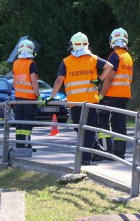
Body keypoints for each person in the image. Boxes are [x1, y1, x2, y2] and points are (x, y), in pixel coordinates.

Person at [45, 32, 113, 165]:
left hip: (75, 103)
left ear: (72, 45)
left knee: (81, 129)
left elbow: (59, 81)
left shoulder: (66, 62)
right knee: (89, 129)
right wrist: (99, 80)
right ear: (87, 45)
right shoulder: (93, 59)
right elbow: (109, 66)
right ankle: (95, 150)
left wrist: (51, 96)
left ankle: (86, 158)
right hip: (90, 102)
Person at [97, 28, 133, 160]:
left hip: (112, 94)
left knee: (102, 120)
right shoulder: (128, 57)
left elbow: (110, 77)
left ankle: (105, 150)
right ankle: (119, 153)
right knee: (119, 123)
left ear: (112, 40)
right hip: (124, 95)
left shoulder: (114, 55)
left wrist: (101, 94)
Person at [12, 39, 41, 148]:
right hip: (29, 99)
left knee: (19, 123)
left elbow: (14, 83)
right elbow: (33, 81)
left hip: (18, 98)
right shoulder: (31, 64)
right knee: (27, 123)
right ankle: (25, 144)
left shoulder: (15, 63)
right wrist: (38, 96)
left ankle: (19, 145)